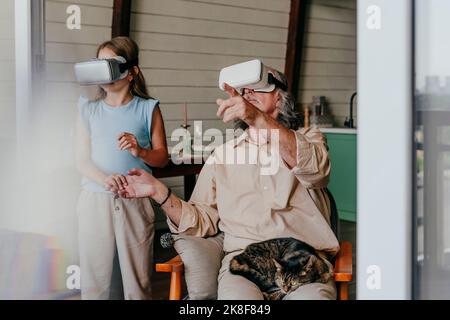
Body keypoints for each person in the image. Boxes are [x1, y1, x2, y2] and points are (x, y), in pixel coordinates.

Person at [117, 65, 339, 300]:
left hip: (304, 262)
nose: (248, 93)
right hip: (244, 265)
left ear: (280, 96)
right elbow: (202, 220)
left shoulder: (309, 138)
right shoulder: (223, 155)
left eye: (258, 86)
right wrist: (159, 192)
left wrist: (258, 119)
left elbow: (316, 171)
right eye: (243, 90)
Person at [75, 36, 169, 300]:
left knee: (137, 282)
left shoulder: (149, 109)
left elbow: (161, 158)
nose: (106, 72)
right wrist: (104, 179)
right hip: (95, 199)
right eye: (100, 64)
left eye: (112, 64)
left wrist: (140, 151)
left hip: (136, 201)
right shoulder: (87, 109)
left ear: (131, 72)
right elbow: (81, 160)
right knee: (94, 282)